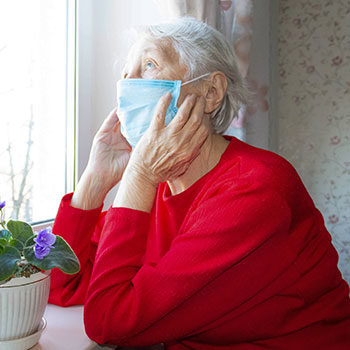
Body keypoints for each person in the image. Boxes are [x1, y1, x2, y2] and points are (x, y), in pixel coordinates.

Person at [49, 17, 350, 349]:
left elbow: (109, 323)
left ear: (211, 93)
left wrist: (139, 176)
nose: (127, 86)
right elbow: (60, 284)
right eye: (124, 74)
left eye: (149, 65)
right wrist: (94, 181)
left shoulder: (255, 190)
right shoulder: (163, 185)